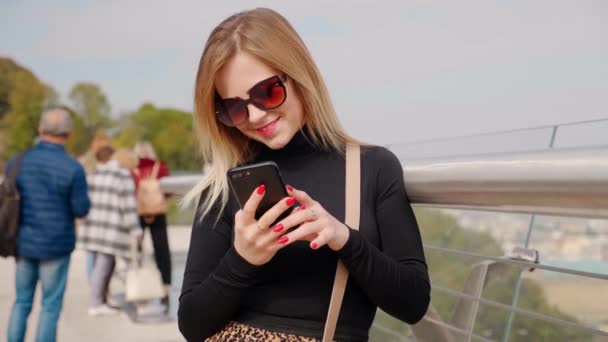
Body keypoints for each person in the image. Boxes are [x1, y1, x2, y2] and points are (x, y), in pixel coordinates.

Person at [177, 8, 430, 342]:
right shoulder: (226, 186)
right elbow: (191, 326)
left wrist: (343, 238)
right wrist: (242, 260)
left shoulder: (371, 167)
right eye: (235, 108)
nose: (254, 115)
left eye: (266, 93)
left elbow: (413, 303)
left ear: (299, 76)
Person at [6, 108, 91, 342]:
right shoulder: (73, 168)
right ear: (69, 133)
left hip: (23, 243)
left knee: (21, 302)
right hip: (56, 245)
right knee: (50, 306)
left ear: (41, 130)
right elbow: (81, 209)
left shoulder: (17, 162)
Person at [77, 146, 141, 316]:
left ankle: (102, 300)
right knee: (104, 266)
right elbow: (128, 206)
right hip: (111, 227)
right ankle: (96, 303)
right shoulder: (122, 175)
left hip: (92, 225)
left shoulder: (95, 172)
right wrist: (135, 229)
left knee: (102, 264)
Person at [132, 141, 172, 312]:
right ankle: (165, 287)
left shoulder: (133, 171)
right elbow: (168, 190)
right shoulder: (159, 167)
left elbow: (130, 191)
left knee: (137, 251)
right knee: (162, 250)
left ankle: (139, 286)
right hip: (158, 213)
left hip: (138, 214)